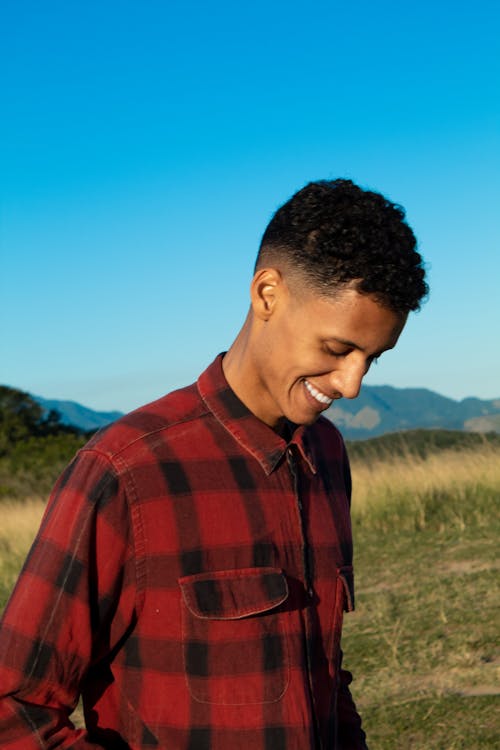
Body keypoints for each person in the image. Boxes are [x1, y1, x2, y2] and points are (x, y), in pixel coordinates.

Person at [0, 179, 427, 749]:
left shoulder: (327, 455)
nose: (352, 385)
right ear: (267, 293)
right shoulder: (125, 470)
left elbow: (326, 677)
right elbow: (13, 708)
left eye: (372, 358)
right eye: (336, 349)